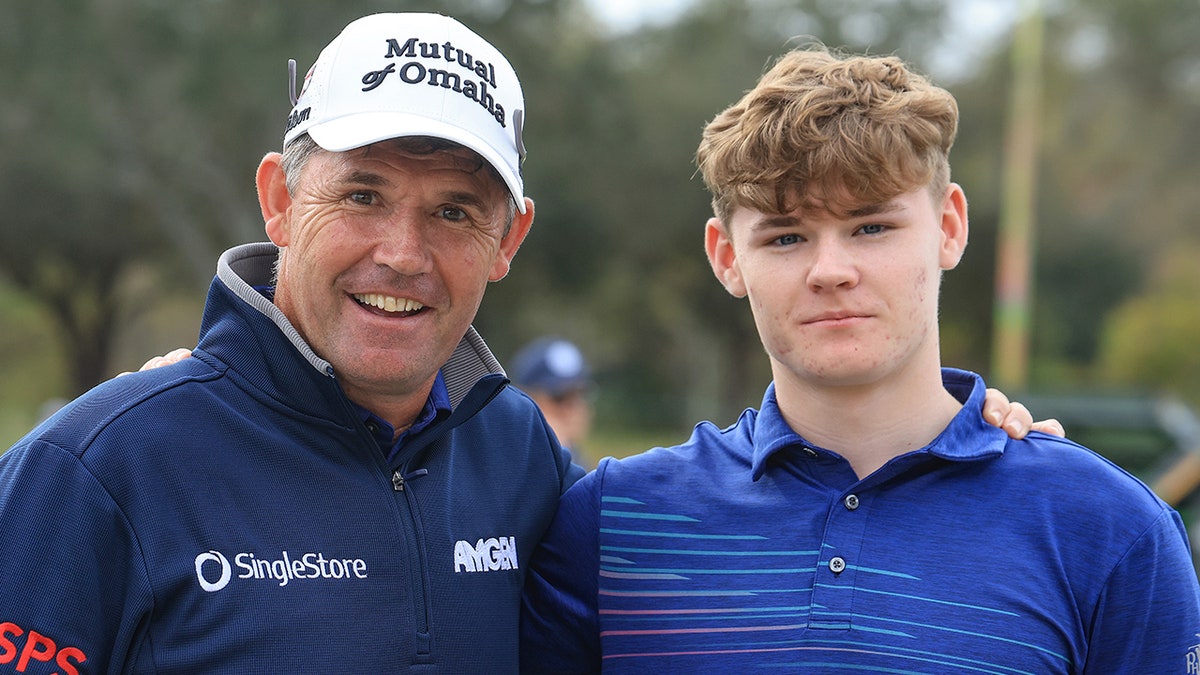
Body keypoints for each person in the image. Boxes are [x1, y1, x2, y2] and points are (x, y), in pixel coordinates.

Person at [519, 45, 1200, 672]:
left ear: (949, 226)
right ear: (727, 257)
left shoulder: (1110, 527)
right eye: (786, 237)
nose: (831, 269)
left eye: (871, 226)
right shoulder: (610, 521)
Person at [0, 13, 582, 673]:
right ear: (280, 199)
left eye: (453, 212)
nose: (401, 254)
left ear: (507, 240)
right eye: (363, 195)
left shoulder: (522, 452)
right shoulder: (95, 468)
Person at [510, 336, 595, 464]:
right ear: (525, 398)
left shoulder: (578, 457)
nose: (570, 408)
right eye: (559, 397)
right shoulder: (511, 459)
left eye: (578, 395)